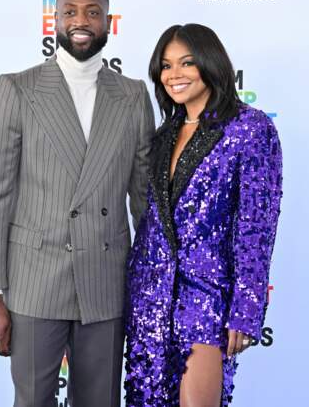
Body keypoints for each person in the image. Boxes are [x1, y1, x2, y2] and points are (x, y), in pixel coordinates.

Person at [0, 0, 155, 407]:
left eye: (92, 12)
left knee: (100, 400)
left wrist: (156, 284)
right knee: (33, 400)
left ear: (108, 22)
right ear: (54, 20)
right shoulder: (17, 89)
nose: (81, 20)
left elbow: (144, 197)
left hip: (106, 281)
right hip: (35, 281)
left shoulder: (132, 96)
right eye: (70, 11)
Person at [124, 23, 282, 407]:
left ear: (209, 64)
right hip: (150, 299)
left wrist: (246, 309)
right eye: (165, 66)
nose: (173, 75)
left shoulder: (249, 128)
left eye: (186, 63)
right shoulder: (161, 136)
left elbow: (255, 228)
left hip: (207, 299)